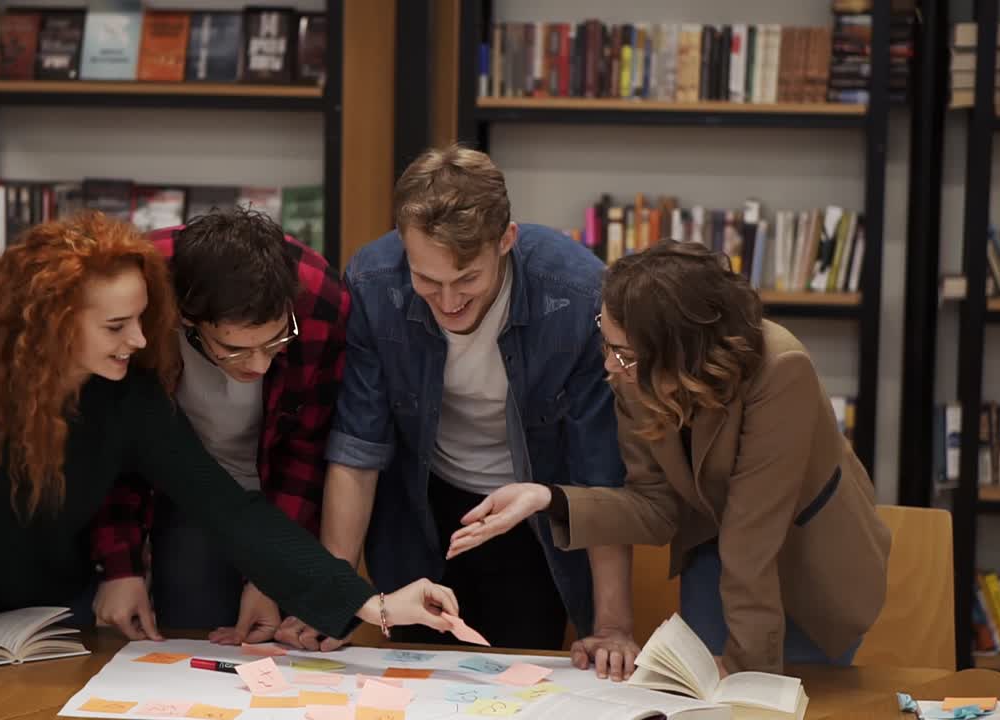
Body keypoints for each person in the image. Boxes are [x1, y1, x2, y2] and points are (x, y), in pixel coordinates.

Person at [0, 211, 458, 673]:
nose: (141, 341)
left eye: (141, 319)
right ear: (55, 322)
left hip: (41, 624)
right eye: (116, 326)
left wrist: (374, 606)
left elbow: (228, 510)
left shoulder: (126, 396)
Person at [447, 240, 892, 675]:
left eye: (624, 355)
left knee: (783, 699)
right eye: (607, 341)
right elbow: (655, 507)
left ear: (683, 353)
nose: (610, 367)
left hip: (805, 565)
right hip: (716, 545)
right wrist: (546, 498)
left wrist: (746, 673)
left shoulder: (781, 369)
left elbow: (753, 538)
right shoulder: (632, 368)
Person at [310, 144, 639, 680]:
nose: (447, 301)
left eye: (467, 279)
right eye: (427, 280)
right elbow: (356, 450)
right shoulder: (374, 281)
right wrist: (330, 596)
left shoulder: (577, 295)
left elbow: (598, 471)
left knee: (513, 681)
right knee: (416, 677)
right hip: (417, 503)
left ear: (507, 240)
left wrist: (613, 625)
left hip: (529, 512)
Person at [90, 207, 350, 649]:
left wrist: (270, 575)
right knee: (191, 630)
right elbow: (115, 443)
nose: (260, 364)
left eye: (276, 342)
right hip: (184, 483)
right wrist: (122, 565)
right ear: (186, 319)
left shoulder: (322, 300)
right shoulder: (138, 291)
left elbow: (305, 451)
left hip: (276, 492)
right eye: (234, 349)